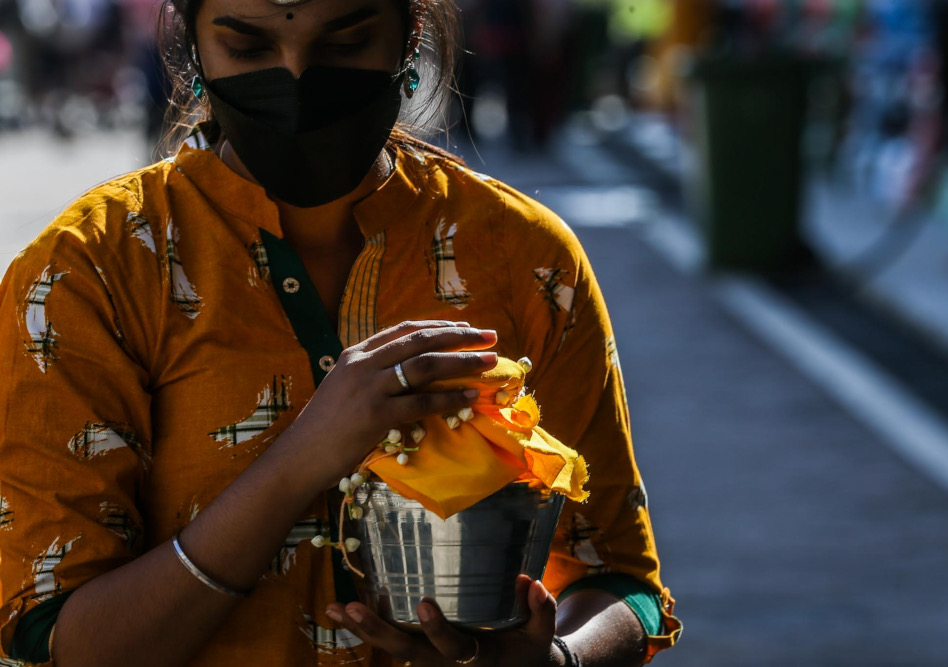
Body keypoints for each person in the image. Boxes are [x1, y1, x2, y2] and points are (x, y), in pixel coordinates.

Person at [0, 0, 681, 665]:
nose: (296, 79)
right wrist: (303, 458)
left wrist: (558, 655)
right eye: (248, 48)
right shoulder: (87, 274)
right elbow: (68, 640)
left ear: (409, 37)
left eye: (346, 43)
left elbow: (621, 580)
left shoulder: (524, 257)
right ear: (191, 46)